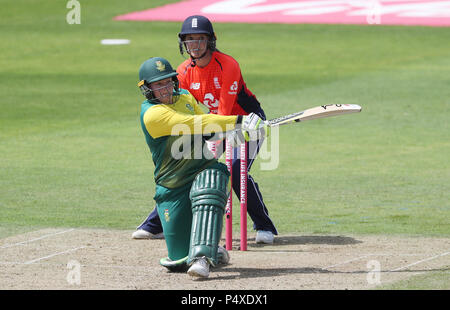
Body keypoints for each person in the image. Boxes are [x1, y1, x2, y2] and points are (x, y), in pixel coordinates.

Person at [132, 15, 278, 244]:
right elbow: (183, 105)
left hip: (247, 121)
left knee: (237, 169)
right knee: (190, 168)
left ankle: (264, 226)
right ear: (183, 44)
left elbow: (225, 110)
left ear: (210, 41)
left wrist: (219, 133)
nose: (195, 46)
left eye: (200, 39)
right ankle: (156, 224)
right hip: (215, 123)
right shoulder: (182, 71)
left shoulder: (228, 64)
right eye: (190, 40)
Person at [136, 57, 267, 278]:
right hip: (173, 186)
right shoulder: (152, 114)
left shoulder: (185, 97)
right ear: (147, 89)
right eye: (158, 85)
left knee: (214, 178)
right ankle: (204, 247)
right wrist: (240, 121)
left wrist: (233, 134)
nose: (166, 89)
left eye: (168, 82)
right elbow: (194, 124)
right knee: (178, 261)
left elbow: (207, 127)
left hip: (202, 169)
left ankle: (203, 256)